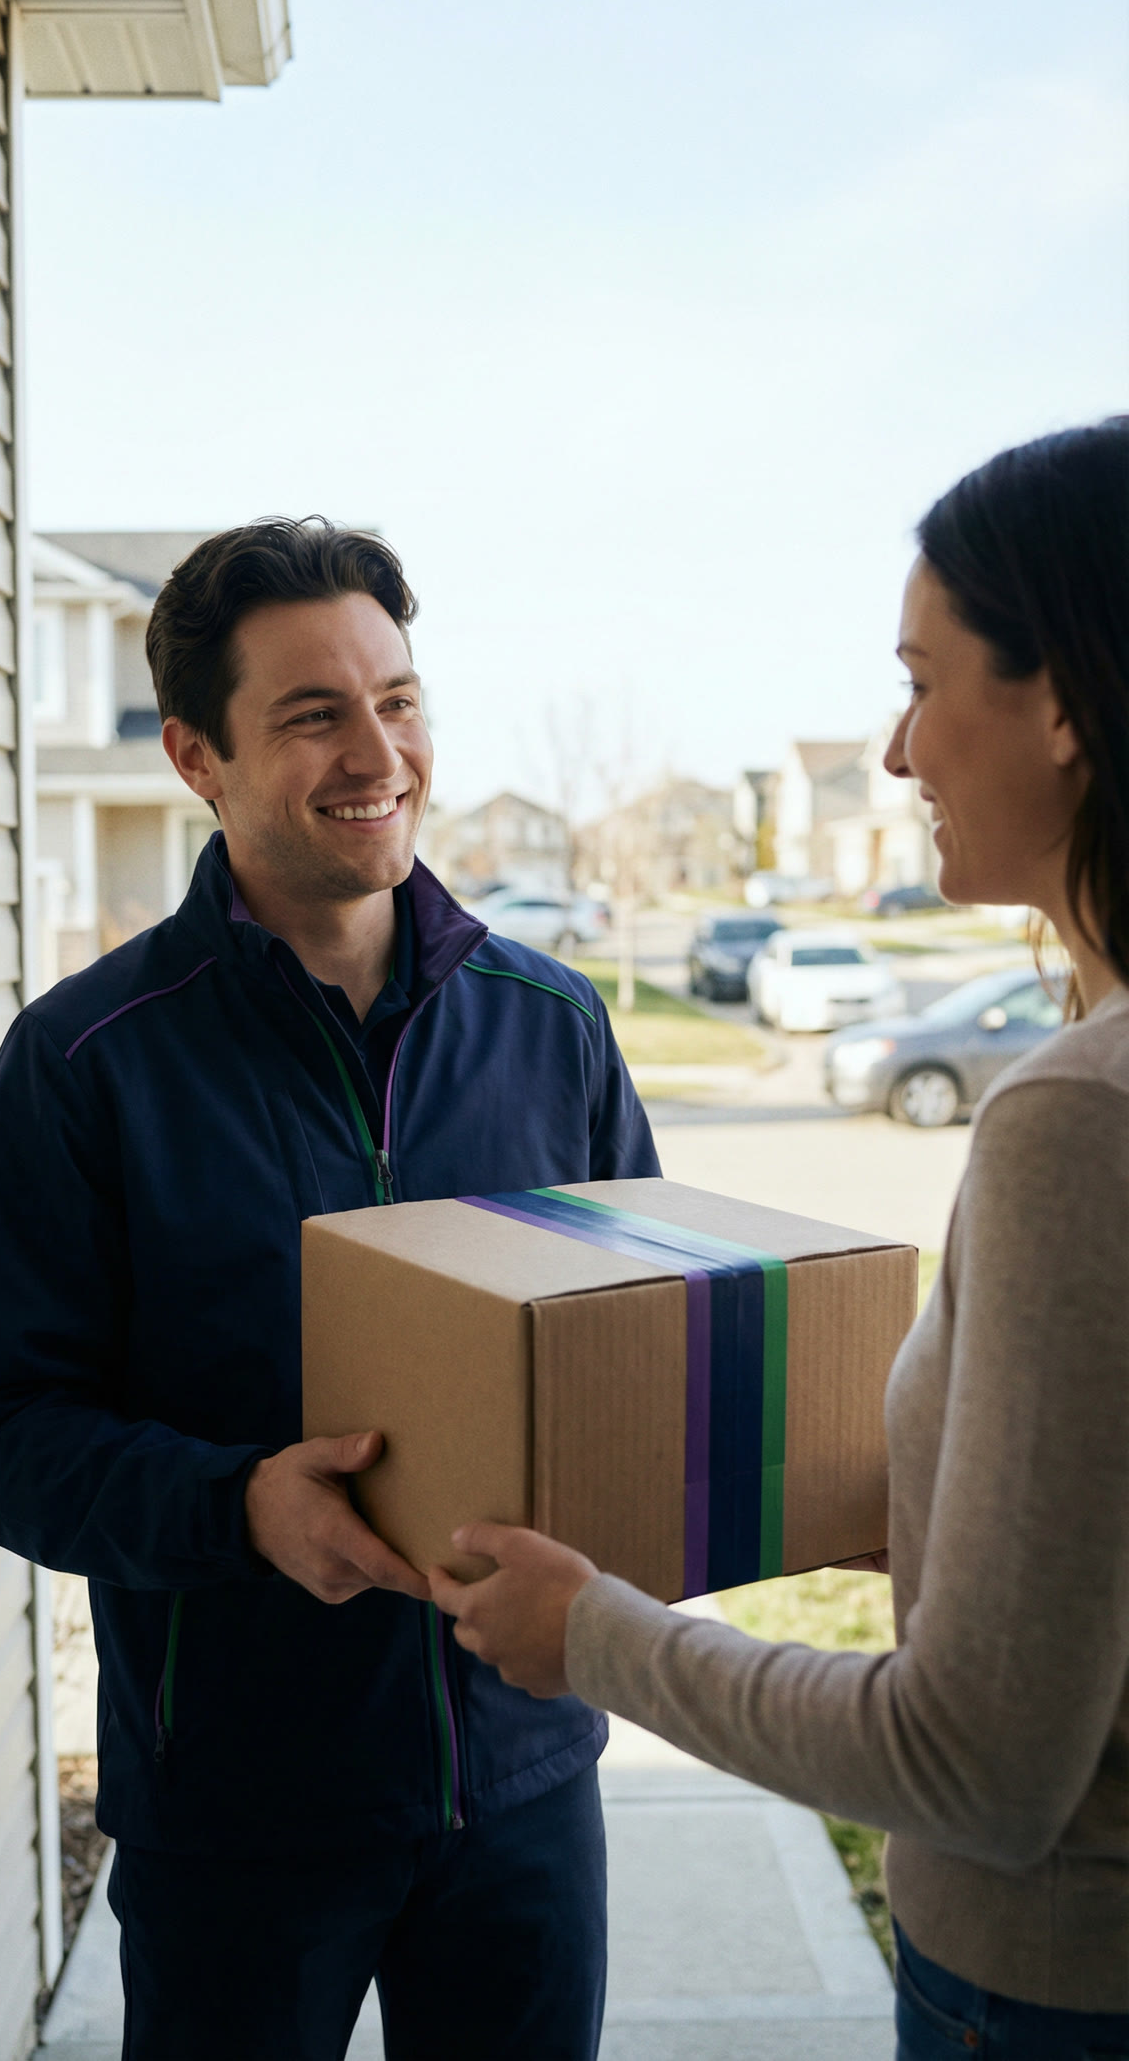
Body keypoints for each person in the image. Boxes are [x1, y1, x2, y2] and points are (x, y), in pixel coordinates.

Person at [433, 419, 1129, 2061]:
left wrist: (590, 1632)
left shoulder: (1076, 1121)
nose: (896, 751)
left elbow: (979, 1761)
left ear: (1066, 703)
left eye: (921, 675)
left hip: (1056, 1986)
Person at [0, 518, 659, 2061]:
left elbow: (643, 1349)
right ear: (197, 755)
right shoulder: (85, 1065)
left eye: (397, 699)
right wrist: (242, 1504)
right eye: (314, 713)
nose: (375, 749)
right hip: (237, 1817)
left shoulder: (553, 1025)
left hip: (524, 1788)